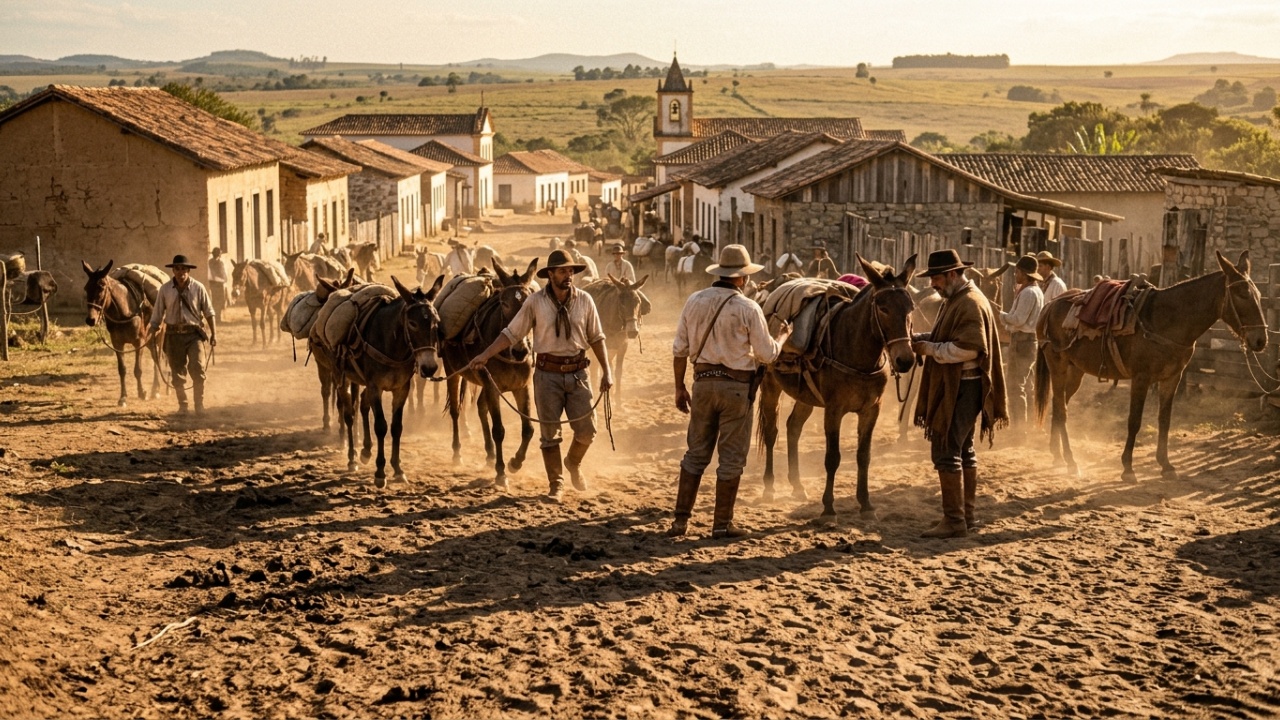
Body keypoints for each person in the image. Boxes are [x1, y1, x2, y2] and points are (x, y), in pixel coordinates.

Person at [468, 249, 612, 502]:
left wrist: (607, 372)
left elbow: (597, 337)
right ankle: (556, 483)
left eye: (571, 271)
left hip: (579, 373)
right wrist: (485, 355)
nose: (568, 275)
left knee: (587, 430)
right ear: (550, 275)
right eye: (562, 271)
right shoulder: (534, 302)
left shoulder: (585, 300)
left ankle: (573, 462)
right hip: (547, 375)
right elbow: (511, 333)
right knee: (549, 435)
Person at [667, 245, 787, 540]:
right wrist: (783, 337)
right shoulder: (748, 308)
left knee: (695, 454)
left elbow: (679, 350)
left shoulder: (694, 300)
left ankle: (680, 521)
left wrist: (679, 387)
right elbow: (767, 354)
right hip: (736, 390)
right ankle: (721, 524)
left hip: (702, 385)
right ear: (743, 278)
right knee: (731, 458)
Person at [912, 249, 1007, 538]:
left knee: (946, 448)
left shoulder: (969, 302)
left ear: (952, 274)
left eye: (937, 278)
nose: (933, 285)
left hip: (964, 386)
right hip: (964, 386)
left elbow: (969, 349)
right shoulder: (959, 299)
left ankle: (954, 520)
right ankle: (965, 516)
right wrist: (922, 339)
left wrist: (929, 349)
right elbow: (950, 337)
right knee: (963, 449)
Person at [149, 254, 217, 415]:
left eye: (184, 269)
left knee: (198, 368)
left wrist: (214, 334)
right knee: (177, 372)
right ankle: (183, 406)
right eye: (177, 269)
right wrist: (152, 332)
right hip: (173, 336)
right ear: (173, 270)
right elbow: (157, 314)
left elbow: (209, 312)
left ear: (189, 271)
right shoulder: (165, 290)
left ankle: (199, 406)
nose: (181, 272)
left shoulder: (198, 288)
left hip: (194, 335)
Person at [999, 255, 1044, 430]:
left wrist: (1001, 315)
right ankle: (1030, 426)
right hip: (1030, 342)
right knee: (1027, 385)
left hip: (1022, 342)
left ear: (1024, 274)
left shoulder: (1027, 293)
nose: (1015, 274)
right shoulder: (1035, 291)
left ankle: (1019, 428)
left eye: (1017, 272)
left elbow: (1018, 319)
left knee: (1015, 386)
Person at [207, 247, 232, 315]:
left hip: (219, 284)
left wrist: (225, 279)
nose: (220, 255)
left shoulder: (219, 262)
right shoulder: (212, 262)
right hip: (215, 283)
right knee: (216, 301)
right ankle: (216, 316)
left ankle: (218, 316)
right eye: (219, 254)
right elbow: (213, 274)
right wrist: (222, 279)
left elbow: (223, 272)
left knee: (220, 301)